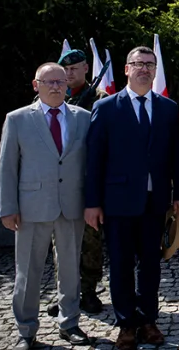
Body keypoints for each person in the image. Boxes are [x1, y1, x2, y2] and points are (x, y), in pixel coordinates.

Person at [85, 46, 179, 350]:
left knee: (151, 266)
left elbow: (177, 156)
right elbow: (94, 160)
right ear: (126, 69)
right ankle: (126, 323)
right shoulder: (105, 108)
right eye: (138, 64)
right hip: (117, 202)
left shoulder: (168, 108)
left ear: (155, 71)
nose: (144, 69)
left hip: (155, 203)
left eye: (149, 64)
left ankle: (148, 320)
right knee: (120, 264)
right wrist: (92, 202)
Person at [0, 63, 92, 349]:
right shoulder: (17, 119)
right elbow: (7, 167)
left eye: (60, 82)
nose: (55, 87)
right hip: (31, 207)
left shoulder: (84, 118)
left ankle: (70, 322)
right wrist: (7, 207)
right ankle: (26, 330)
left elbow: (91, 164)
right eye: (48, 82)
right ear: (35, 84)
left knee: (70, 270)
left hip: (72, 205)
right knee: (28, 271)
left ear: (68, 85)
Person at [46, 49, 108, 318]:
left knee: (90, 241)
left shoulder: (100, 100)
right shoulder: (51, 97)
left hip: (89, 180)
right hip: (58, 183)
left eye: (74, 68)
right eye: (65, 69)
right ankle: (64, 293)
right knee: (60, 243)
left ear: (86, 69)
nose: (69, 74)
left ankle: (89, 291)